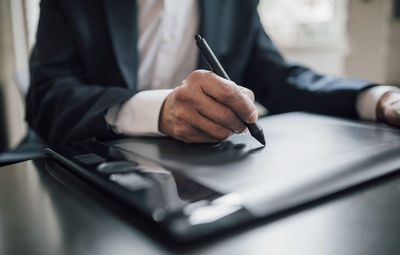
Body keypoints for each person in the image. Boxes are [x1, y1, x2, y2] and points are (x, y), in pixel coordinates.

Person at [26, 0, 400, 148]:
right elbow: (46, 95)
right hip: (75, 161)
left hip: (191, 173)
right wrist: (159, 111)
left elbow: (280, 77)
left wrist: (377, 97)